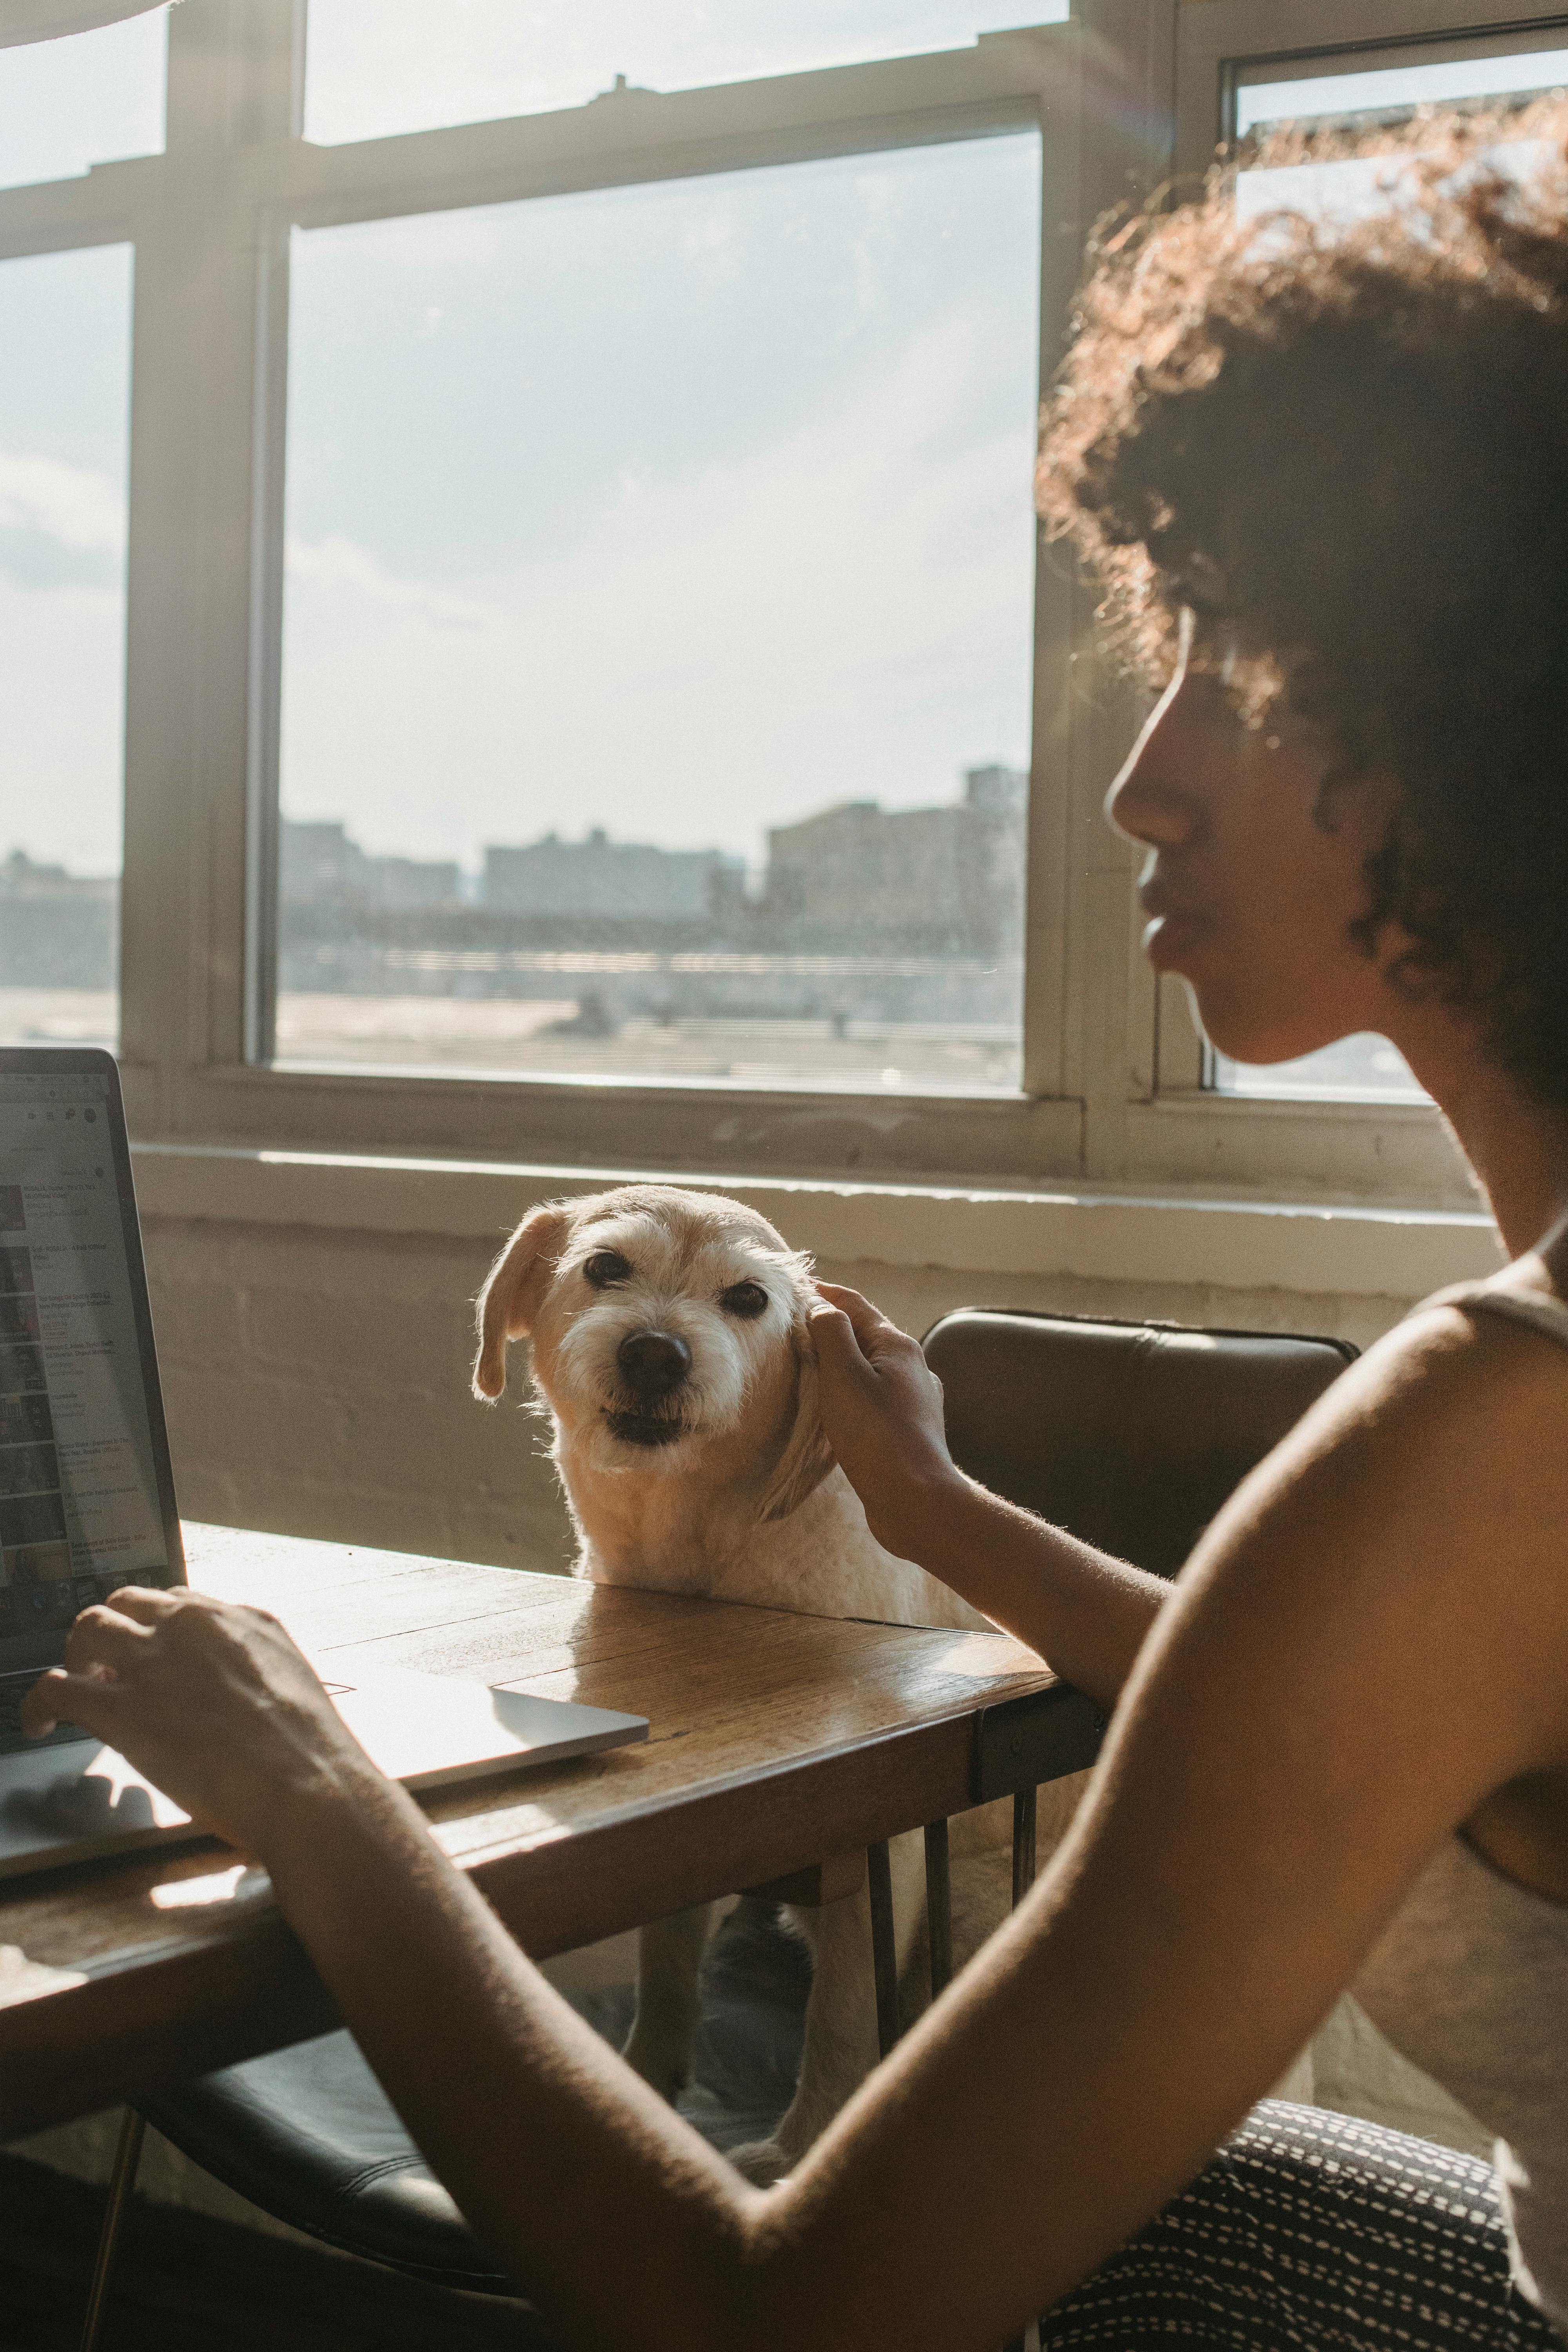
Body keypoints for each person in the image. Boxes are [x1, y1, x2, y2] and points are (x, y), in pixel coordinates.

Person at [24, 103, 1568, 2352]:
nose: (1141, 775)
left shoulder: (1490, 1435)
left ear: (1478, 702)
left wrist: (329, 1801)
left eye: (1225, 653)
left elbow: (785, 2317)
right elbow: (1342, 1683)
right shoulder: (1483, 1473)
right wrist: (943, 1514)